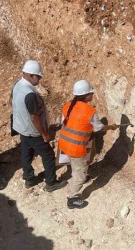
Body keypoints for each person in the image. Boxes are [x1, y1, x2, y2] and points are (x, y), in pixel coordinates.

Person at [58, 80, 119, 209]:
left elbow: (67, 123)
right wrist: (112, 127)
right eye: (91, 92)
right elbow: (99, 128)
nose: (92, 95)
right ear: (86, 95)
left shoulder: (68, 105)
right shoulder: (89, 111)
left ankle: (81, 176)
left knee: (76, 165)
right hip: (76, 147)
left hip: (64, 143)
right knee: (79, 173)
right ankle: (72, 198)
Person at [12, 60, 67, 192]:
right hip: (33, 131)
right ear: (31, 75)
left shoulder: (17, 85)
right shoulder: (29, 94)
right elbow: (34, 116)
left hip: (22, 128)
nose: (40, 79)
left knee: (26, 153)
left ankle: (29, 179)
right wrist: (44, 133)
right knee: (48, 156)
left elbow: (11, 101)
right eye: (39, 76)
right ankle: (51, 183)